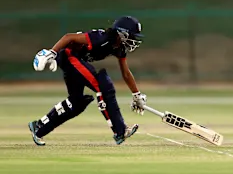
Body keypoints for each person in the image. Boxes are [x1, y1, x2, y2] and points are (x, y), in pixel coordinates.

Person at [29, 16, 147, 146]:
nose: (134, 40)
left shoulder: (119, 48)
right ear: (122, 33)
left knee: (77, 102)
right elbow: (69, 37)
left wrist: (136, 95)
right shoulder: (101, 38)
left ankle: (39, 127)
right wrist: (52, 52)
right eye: (132, 36)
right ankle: (120, 130)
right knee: (103, 85)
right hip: (69, 57)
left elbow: (125, 73)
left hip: (75, 61)